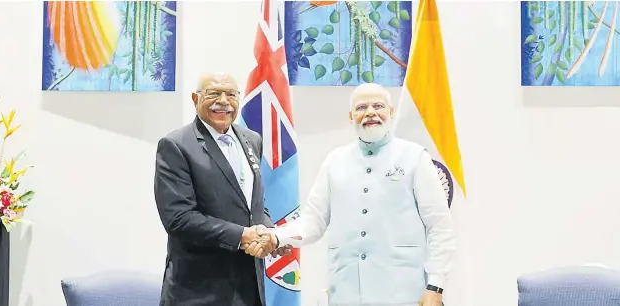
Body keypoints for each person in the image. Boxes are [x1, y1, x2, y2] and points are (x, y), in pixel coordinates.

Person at [251, 83, 456, 306]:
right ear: (351, 116)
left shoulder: (414, 157)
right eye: (361, 107)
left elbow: (439, 226)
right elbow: (313, 221)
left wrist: (435, 286)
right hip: (346, 292)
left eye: (378, 105)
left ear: (391, 112)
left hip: (403, 292)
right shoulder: (335, 161)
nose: (370, 112)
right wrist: (276, 236)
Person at [154, 72, 281, 306]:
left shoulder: (252, 139)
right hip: (199, 291)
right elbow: (179, 219)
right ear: (195, 99)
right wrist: (242, 236)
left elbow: (252, 203)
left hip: (249, 288)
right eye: (213, 93)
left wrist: (269, 234)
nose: (223, 101)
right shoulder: (176, 145)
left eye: (231, 94)